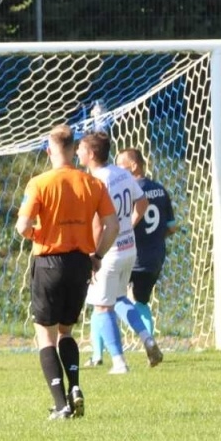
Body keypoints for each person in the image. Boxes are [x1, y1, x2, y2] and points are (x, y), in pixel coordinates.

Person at [15, 126, 118, 419]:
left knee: (45, 335)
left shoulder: (39, 183)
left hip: (49, 263)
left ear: (49, 151)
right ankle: (75, 387)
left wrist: (42, 232)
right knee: (67, 332)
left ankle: (61, 404)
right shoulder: (92, 183)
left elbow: (23, 227)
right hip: (80, 263)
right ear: (74, 150)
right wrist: (97, 255)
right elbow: (113, 226)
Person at [77, 132, 148, 374]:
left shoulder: (95, 181)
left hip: (109, 251)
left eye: (81, 148)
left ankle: (119, 362)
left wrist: (94, 255)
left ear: (91, 154)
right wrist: (129, 225)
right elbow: (142, 203)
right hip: (129, 248)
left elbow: (98, 224)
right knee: (120, 299)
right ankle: (148, 340)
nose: (77, 152)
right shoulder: (122, 173)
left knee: (101, 307)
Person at [116, 148, 175, 365]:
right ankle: (149, 344)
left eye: (120, 165)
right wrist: (156, 237)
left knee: (111, 300)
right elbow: (172, 226)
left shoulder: (129, 191)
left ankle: (101, 355)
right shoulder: (160, 189)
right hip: (156, 255)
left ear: (133, 165)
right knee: (141, 301)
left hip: (131, 254)